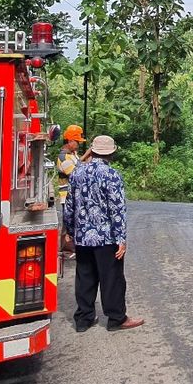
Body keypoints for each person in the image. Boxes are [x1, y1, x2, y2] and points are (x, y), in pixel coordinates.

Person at [62, 134, 144, 332]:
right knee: (112, 278)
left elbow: (69, 206)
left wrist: (70, 231)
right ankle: (116, 318)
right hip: (106, 237)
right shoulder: (112, 175)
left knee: (85, 277)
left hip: (83, 237)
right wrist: (121, 239)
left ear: (93, 150)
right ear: (111, 153)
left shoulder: (77, 173)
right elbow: (117, 209)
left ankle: (84, 319)